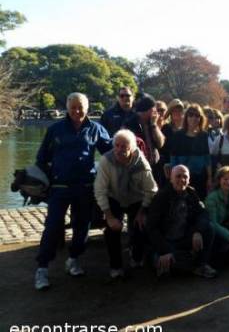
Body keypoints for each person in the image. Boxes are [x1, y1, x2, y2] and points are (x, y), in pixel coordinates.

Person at [34, 93, 112, 290]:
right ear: (67, 108)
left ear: (88, 108)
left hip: (85, 187)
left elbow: (112, 152)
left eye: (81, 107)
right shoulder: (55, 129)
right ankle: (42, 269)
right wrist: (47, 181)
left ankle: (74, 259)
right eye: (73, 107)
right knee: (52, 227)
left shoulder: (96, 129)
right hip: (59, 187)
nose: (77, 111)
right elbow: (41, 158)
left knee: (82, 228)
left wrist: (133, 149)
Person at [94, 129, 158, 278]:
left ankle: (136, 256)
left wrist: (142, 212)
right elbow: (100, 190)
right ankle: (115, 266)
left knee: (140, 226)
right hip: (114, 197)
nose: (119, 149)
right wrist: (109, 216)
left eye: (124, 146)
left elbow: (151, 189)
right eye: (116, 145)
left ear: (132, 148)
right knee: (112, 230)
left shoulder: (141, 163)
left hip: (136, 199)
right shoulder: (106, 161)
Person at [147, 165, 217, 278]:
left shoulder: (191, 193)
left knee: (209, 228)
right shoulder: (161, 197)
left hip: (184, 238)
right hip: (166, 241)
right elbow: (152, 229)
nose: (182, 180)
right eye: (178, 176)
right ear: (171, 178)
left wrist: (197, 231)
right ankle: (192, 264)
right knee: (160, 259)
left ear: (189, 179)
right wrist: (167, 250)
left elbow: (203, 214)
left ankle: (194, 264)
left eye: (185, 177)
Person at [170, 104, 212, 198]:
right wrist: (174, 178)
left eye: (197, 115)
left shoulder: (203, 135)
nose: (194, 118)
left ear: (201, 118)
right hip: (182, 178)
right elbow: (173, 158)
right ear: (186, 117)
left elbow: (207, 158)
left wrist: (209, 178)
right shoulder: (177, 135)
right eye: (191, 115)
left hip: (200, 177)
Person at [124, 94, 165, 168]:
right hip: (138, 167)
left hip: (155, 166)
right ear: (148, 110)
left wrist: (154, 125)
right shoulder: (129, 125)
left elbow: (160, 143)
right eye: (153, 108)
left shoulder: (152, 122)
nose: (155, 111)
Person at [158, 98, 185, 186]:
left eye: (180, 110)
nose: (178, 113)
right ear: (170, 113)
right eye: (175, 111)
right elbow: (161, 148)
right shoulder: (165, 129)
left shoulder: (187, 129)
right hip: (169, 167)